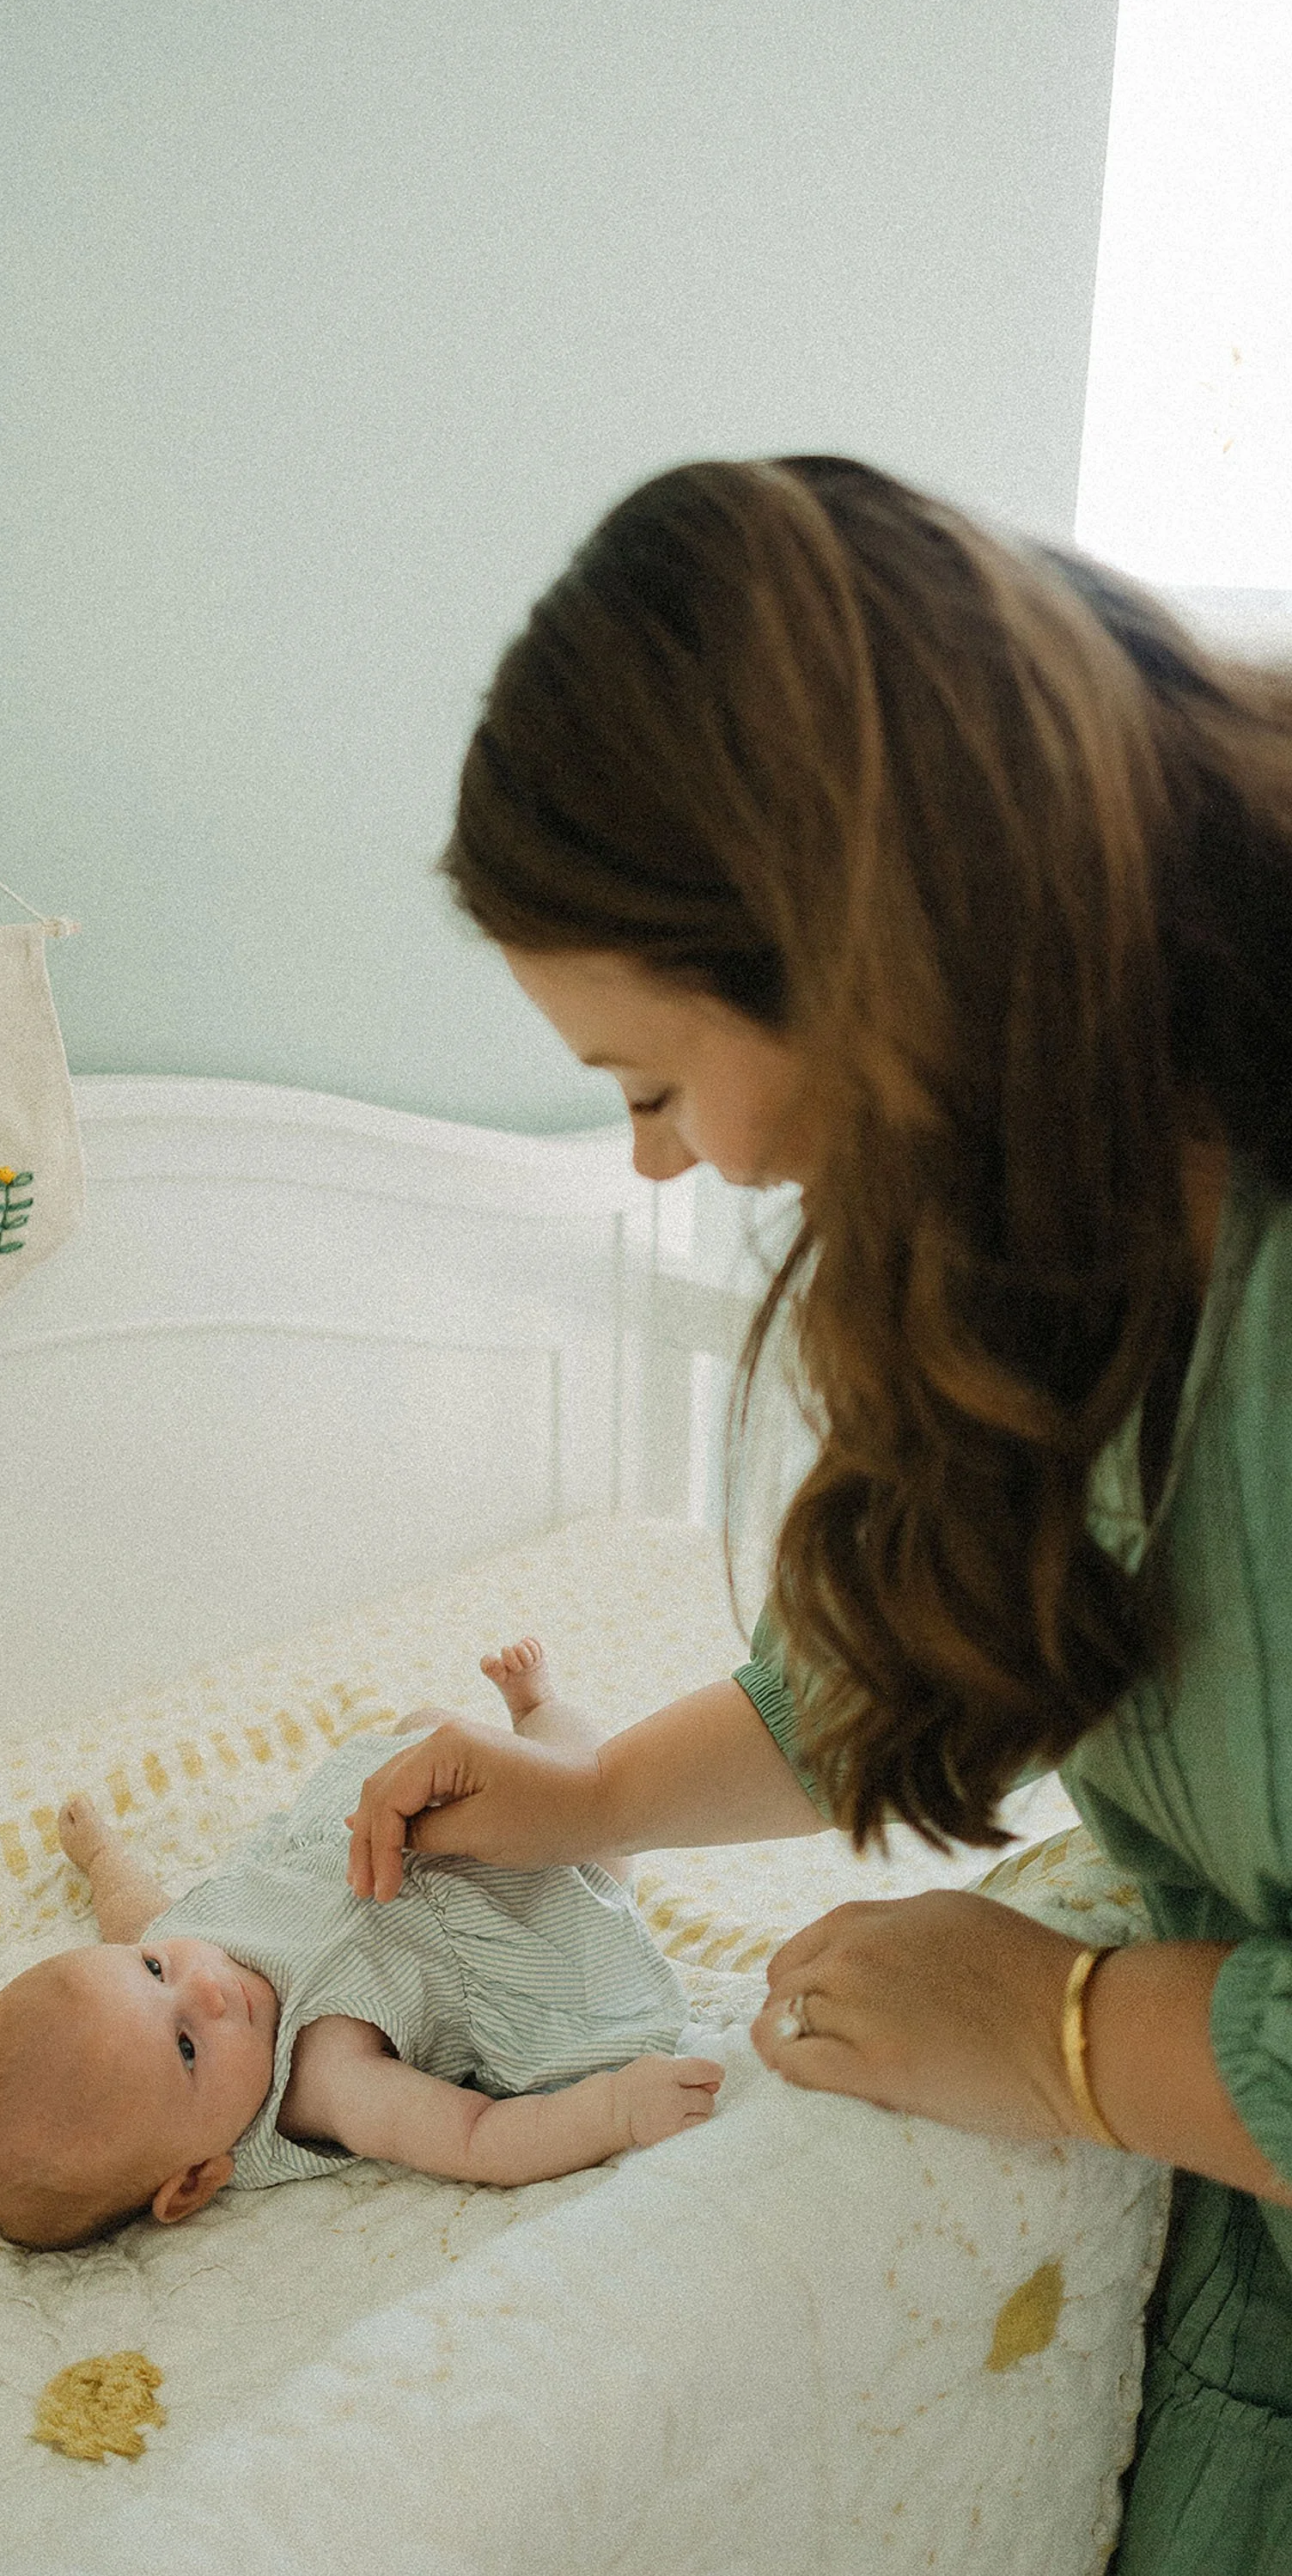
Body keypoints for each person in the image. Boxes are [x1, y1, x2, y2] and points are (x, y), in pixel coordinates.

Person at [343, 455, 1292, 2574]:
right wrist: (584, 1793)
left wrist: (1058, 2030)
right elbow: (940, 1615)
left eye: (651, 1085)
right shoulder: (1072, 1207)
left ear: (859, 961)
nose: (666, 1170)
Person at [0, 1639, 722, 2249]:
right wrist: (616, 2110)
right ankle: (544, 1713)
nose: (205, 1990)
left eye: (153, 1970)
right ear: (194, 2181)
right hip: (523, 1914)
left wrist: (101, 1856)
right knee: (604, 1842)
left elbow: (133, 1912)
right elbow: (479, 2137)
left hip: (399, 1828)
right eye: (186, 2048)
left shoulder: (181, 1948)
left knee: (426, 1727)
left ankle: (521, 1731)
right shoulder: (326, 2081)